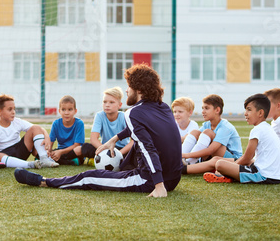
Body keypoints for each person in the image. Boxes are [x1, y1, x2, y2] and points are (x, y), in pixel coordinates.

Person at [14, 63, 183, 198]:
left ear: (138, 90)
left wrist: (159, 186)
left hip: (152, 180)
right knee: (131, 153)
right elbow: (143, 131)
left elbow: (148, 148)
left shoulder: (133, 112)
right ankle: (126, 172)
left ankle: (43, 181)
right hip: (174, 178)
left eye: (128, 86)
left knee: (89, 176)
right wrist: (115, 138)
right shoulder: (164, 107)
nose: (126, 90)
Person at [204, 94, 280, 184]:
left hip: (263, 175)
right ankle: (230, 175)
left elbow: (247, 157)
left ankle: (226, 176)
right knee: (222, 160)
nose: (245, 113)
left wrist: (229, 168)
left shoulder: (257, 130)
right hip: (274, 175)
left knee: (219, 164)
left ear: (260, 113)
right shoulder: (266, 127)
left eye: (249, 110)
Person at [0, 94, 59, 168]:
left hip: (20, 150)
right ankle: (29, 165)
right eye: (10, 109)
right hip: (4, 155)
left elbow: (38, 128)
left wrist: (46, 137)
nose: (13, 112)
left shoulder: (17, 121)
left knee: (35, 127)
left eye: (14, 109)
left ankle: (44, 158)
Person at [181, 94, 242, 165]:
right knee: (195, 132)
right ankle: (178, 158)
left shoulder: (225, 126)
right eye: (202, 108)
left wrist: (187, 155)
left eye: (206, 108)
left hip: (232, 159)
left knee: (208, 132)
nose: (203, 111)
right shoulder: (207, 124)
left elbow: (211, 150)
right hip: (213, 156)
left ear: (217, 110)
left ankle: (189, 162)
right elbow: (192, 137)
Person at [79, 87, 133, 165]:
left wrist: (119, 154)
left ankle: (96, 159)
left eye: (111, 102)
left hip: (121, 150)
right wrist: (105, 152)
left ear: (119, 105)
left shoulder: (124, 117)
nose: (107, 105)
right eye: (105, 102)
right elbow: (93, 139)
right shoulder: (99, 116)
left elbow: (133, 141)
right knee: (83, 148)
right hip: (104, 147)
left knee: (134, 153)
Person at [48, 95, 86, 165]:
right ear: (59, 111)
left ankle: (58, 160)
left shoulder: (79, 123)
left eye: (70, 109)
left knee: (80, 149)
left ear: (75, 111)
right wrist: (49, 151)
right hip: (60, 151)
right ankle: (69, 161)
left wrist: (60, 152)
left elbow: (76, 145)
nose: (66, 113)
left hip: (73, 152)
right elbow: (50, 142)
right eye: (63, 110)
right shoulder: (56, 123)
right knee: (43, 152)